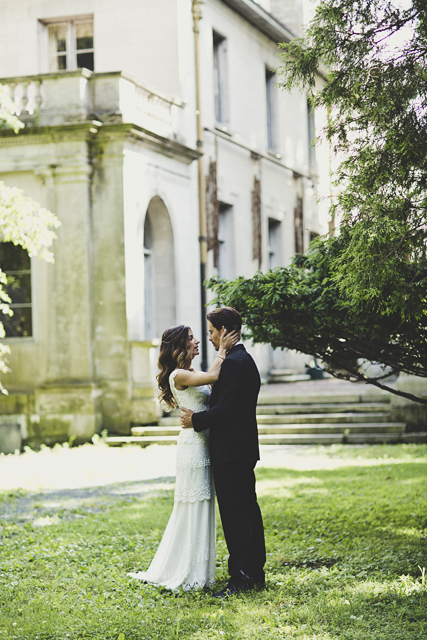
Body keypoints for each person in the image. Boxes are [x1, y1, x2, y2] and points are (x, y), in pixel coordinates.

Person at [128, 324, 238, 591]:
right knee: (193, 503)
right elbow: (214, 376)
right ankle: (188, 570)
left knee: (204, 502)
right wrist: (223, 348)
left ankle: (201, 568)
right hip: (193, 446)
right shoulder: (178, 375)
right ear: (179, 346)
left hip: (205, 441)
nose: (198, 341)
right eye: (191, 339)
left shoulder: (189, 372)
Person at [180, 307, 266, 597]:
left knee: (236, 517)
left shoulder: (232, 363)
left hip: (230, 452)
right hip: (242, 450)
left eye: (212, 332)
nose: (210, 338)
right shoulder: (246, 359)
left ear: (226, 331)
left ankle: (241, 579)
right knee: (249, 512)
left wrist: (196, 420)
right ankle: (255, 572)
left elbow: (227, 410)